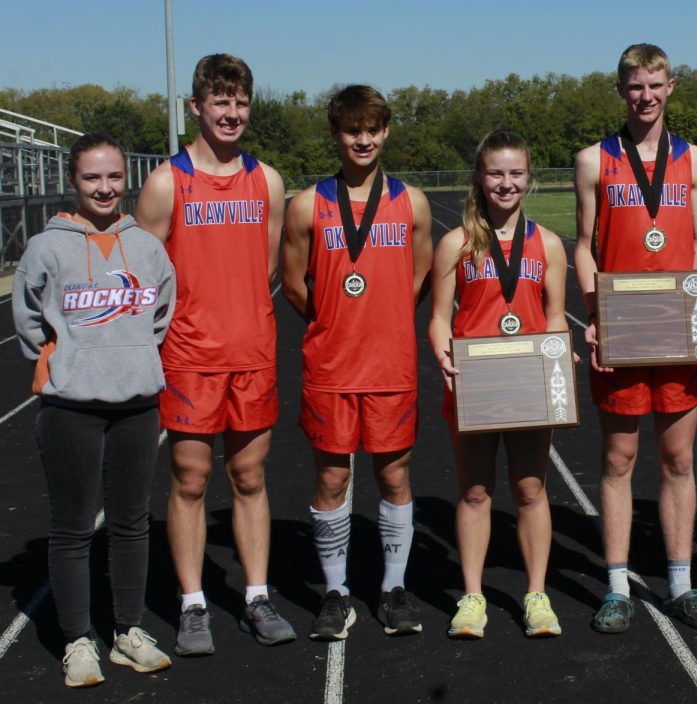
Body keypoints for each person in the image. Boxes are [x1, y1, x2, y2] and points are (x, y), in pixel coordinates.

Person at [136, 54, 293, 654]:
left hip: (251, 353)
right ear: (196, 107)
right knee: (191, 479)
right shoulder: (164, 182)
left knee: (250, 476)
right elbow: (145, 278)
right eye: (220, 102)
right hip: (188, 359)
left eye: (240, 102)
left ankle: (256, 595)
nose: (231, 113)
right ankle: (193, 604)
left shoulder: (268, 181)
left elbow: (268, 268)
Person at [13, 134, 176, 687]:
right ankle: (78, 639)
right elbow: (31, 324)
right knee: (73, 526)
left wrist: (128, 360)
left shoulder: (149, 249)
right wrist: (69, 365)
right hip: (71, 408)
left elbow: (160, 317)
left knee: (132, 523)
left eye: (112, 177)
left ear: (125, 179)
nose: (104, 188)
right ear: (73, 182)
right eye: (91, 178)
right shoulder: (46, 248)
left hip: (137, 403)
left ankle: (128, 630)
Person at [574, 43, 697, 633]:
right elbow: (584, 247)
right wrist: (598, 315)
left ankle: (681, 584)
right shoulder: (594, 161)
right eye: (636, 86)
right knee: (618, 458)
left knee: (679, 458)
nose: (646, 95)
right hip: (624, 328)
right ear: (621, 90)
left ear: (671, 87)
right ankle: (616, 586)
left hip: (678, 326)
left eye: (656, 85)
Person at [281, 85, 432, 641]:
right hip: (331, 366)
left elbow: (419, 276)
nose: (363, 139)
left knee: (394, 475)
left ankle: (393, 587)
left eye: (372, 129)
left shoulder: (411, 202)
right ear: (335, 134)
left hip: (390, 365)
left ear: (386, 132)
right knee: (331, 476)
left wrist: (384, 316)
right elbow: (294, 284)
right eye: (352, 129)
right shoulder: (307, 204)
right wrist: (335, 322)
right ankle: (336, 592)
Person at [429, 129, 571, 639]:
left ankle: (536, 595)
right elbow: (440, 318)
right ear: (479, 177)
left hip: (530, 381)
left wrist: (559, 357)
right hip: (475, 384)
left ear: (528, 178)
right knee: (473, 491)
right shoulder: (455, 243)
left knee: (532, 490)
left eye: (515, 173)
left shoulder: (548, 245)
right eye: (495, 173)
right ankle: (472, 598)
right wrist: (444, 356)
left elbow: (555, 317)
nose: (506, 183)